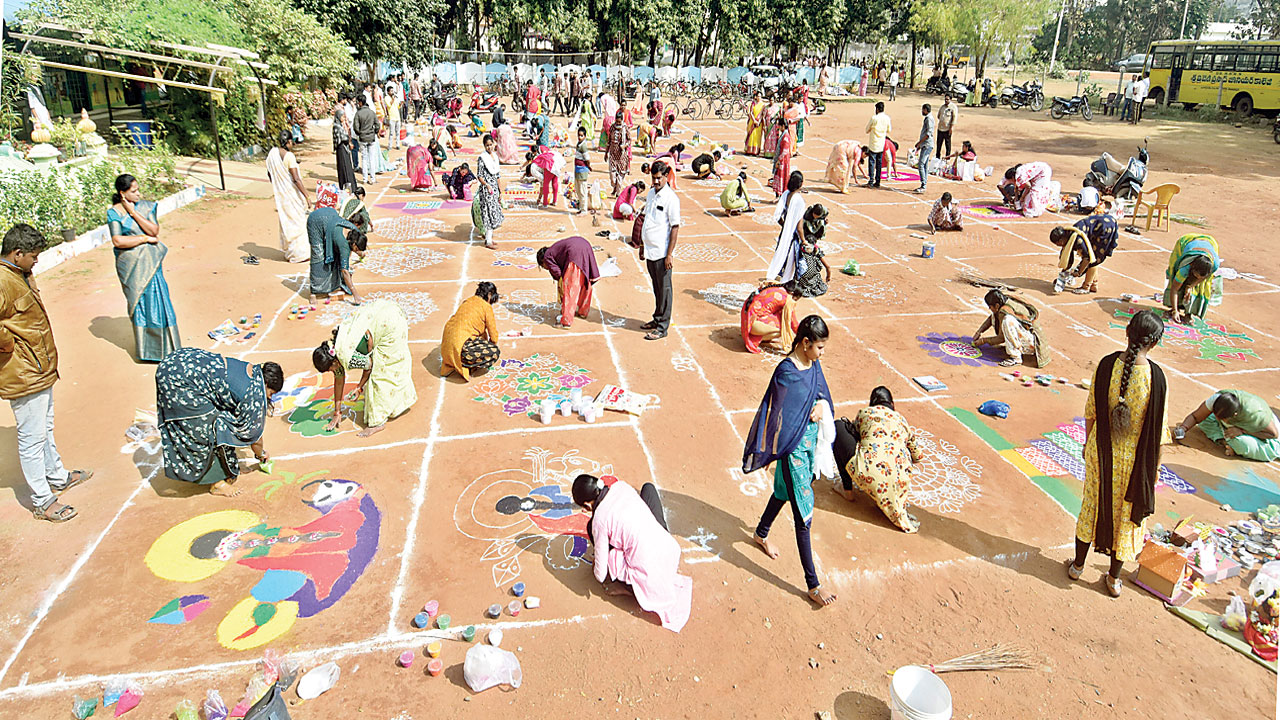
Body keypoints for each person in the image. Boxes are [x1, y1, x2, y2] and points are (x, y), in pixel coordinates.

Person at [1067, 310, 1167, 597]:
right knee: (1127, 517)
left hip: (1101, 453)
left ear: (1127, 332)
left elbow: (1090, 412)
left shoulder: (1106, 365)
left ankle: (1077, 566)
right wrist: (1155, 468)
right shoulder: (1155, 379)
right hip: (1135, 461)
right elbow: (1158, 434)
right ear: (1155, 343)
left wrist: (1089, 444)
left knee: (1092, 506)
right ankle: (1113, 579)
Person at [743, 315, 838, 607]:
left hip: (808, 444)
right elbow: (776, 414)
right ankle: (813, 584)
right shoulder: (786, 372)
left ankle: (761, 533)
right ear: (805, 343)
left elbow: (822, 395)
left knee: (782, 492)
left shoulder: (813, 364)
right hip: (791, 450)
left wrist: (822, 408)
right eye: (819, 347)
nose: (822, 353)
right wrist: (772, 451)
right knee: (803, 513)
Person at [1, 224, 93, 522]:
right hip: (24, 371)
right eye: (33, 256)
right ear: (17, 253)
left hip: (38, 367)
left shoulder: (19, 274)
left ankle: (57, 475)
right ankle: (42, 499)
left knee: (45, 426)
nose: (37, 261)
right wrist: (11, 345)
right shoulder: (3, 281)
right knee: (31, 438)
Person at [571, 474, 692, 632]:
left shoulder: (599, 520)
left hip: (652, 571)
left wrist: (598, 563)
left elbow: (600, 575)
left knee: (593, 530)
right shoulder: (621, 486)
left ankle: (629, 589)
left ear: (587, 505)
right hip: (667, 548)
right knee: (648, 489)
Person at [156, 348, 283, 496]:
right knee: (204, 427)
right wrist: (261, 454)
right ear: (266, 384)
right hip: (178, 381)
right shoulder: (253, 394)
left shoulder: (252, 371)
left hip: (178, 360)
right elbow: (254, 437)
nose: (268, 398)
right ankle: (216, 483)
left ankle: (228, 467)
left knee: (223, 419)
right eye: (271, 393)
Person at [310, 300, 416, 437]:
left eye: (330, 369)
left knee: (380, 374)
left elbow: (369, 366)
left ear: (334, 362)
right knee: (386, 368)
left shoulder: (346, 355)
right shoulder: (336, 346)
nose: (332, 372)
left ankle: (378, 422)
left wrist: (359, 387)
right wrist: (337, 412)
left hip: (390, 325)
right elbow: (339, 378)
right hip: (385, 310)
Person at [109, 173, 181, 362]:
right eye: (134, 191)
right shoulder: (114, 213)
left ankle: (167, 348)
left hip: (151, 264)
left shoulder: (147, 207)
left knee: (158, 301)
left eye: (138, 189)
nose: (139, 194)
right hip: (132, 268)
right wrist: (144, 239)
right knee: (140, 305)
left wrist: (133, 212)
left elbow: (154, 230)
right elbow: (118, 240)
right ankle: (148, 351)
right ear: (122, 193)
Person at [834, 386, 922, 533]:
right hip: (899, 482)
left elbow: (855, 434)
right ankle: (888, 494)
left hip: (868, 474)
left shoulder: (865, 413)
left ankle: (847, 490)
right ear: (892, 404)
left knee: (839, 426)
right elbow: (918, 456)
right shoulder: (902, 420)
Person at [637, 161, 680, 341]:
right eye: (653, 178)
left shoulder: (671, 199)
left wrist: (669, 254)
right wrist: (641, 245)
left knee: (665, 289)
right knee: (656, 287)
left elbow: (675, 227)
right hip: (650, 250)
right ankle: (656, 318)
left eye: (658, 178)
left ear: (666, 176)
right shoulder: (651, 194)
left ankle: (663, 326)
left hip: (662, 253)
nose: (655, 182)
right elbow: (646, 220)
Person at [1175, 390, 1280, 462]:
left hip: (1267, 438)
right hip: (1236, 428)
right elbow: (1196, 417)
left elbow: (1273, 434)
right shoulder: (1217, 400)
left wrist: (1242, 431)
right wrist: (1183, 428)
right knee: (1204, 420)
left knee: (1240, 443)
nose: (1217, 419)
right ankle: (1225, 441)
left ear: (1234, 415)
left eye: (1222, 418)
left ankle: (1232, 444)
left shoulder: (1255, 415)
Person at [972, 289, 1050, 368]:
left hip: (1033, 343)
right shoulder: (1004, 302)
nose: (989, 308)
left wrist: (983, 341)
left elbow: (1001, 338)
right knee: (1002, 318)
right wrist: (979, 332)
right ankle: (1015, 348)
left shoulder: (1004, 311)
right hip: (1031, 337)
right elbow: (992, 317)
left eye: (990, 307)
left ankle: (1016, 358)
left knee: (1007, 320)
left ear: (997, 306)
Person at [266, 130, 312, 263]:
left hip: (282, 196)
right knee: (298, 222)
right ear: (289, 142)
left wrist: (279, 186)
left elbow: (270, 175)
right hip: (292, 195)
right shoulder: (289, 156)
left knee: (287, 221)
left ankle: (290, 251)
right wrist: (307, 196)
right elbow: (296, 179)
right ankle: (299, 253)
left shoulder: (271, 155)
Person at [440, 282, 501, 381]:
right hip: (461, 347)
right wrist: (489, 346)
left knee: (477, 338)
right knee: (494, 352)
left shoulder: (467, 301)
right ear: (489, 295)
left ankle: (452, 361)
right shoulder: (486, 307)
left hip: (446, 349)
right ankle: (464, 363)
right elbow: (493, 337)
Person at [306, 205, 366, 305]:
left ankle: (335, 284)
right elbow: (345, 271)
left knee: (337, 256)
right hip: (316, 221)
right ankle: (313, 292)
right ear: (354, 244)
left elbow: (349, 253)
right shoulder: (344, 246)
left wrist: (360, 253)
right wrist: (355, 293)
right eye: (357, 249)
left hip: (330, 215)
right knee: (318, 256)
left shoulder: (355, 232)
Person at [537, 236, 601, 328]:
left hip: (574, 254)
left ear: (543, 261)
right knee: (584, 282)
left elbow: (558, 274)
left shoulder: (547, 256)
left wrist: (561, 288)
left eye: (544, 266)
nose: (546, 268)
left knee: (570, 289)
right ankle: (583, 311)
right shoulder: (554, 250)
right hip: (586, 247)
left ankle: (566, 321)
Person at [1049, 213, 1119, 294]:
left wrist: (1079, 272)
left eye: (1057, 244)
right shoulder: (1068, 235)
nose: (1058, 246)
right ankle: (1094, 284)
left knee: (1094, 259)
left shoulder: (1077, 239)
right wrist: (1063, 276)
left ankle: (1086, 286)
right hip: (1101, 224)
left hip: (1104, 228)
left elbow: (1088, 258)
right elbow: (1068, 259)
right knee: (1093, 256)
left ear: (1060, 241)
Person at [1163, 233, 1221, 323]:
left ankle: (1189, 312)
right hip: (1185, 242)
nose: (1198, 278)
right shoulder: (1185, 267)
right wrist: (1175, 311)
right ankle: (1175, 308)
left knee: (1200, 287)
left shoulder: (1214, 265)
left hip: (1210, 242)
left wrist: (1191, 286)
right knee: (1178, 281)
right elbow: (1174, 289)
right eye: (1196, 275)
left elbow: (1205, 278)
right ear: (1192, 267)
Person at [767, 172, 806, 285]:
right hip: (792, 236)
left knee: (781, 253)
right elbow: (799, 226)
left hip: (784, 233)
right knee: (791, 260)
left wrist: (785, 226)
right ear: (801, 184)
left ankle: (778, 276)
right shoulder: (799, 201)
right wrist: (803, 240)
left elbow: (778, 216)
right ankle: (786, 282)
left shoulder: (785, 194)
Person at [469, 134, 504, 251]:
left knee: (494, 212)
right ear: (484, 146)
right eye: (487, 145)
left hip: (494, 189)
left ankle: (488, 237)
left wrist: (500, 190)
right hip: (487, 190)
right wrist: (487, 185)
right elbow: (479, 176)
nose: (489, 147)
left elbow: (497, 175)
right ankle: (488, 240)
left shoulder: (495, 157)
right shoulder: (482, 158)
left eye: (491, 144)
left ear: (494, 144)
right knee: (488, 213)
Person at [740, 283, 798, 354]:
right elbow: (794, 325)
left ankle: (757, 335)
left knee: (780, 315)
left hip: (746, 319)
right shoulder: (787, 299)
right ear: (792, 294)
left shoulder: (775, 285)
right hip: (753, 324)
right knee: (784, 330)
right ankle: (754, 338)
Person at [788, 204, 831, 298]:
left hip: (802, 279)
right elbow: (827, 266)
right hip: (812, 278)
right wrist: (828, 277)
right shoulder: (817, 250)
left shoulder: (800, 250)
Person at [768, 104, 797, 197]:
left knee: (781, 177)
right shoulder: (783, 135)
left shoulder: (785, 137)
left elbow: (784, 151)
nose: (778, 128)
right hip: (781, 160)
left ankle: (780, 194)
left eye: (779, 126)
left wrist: (778, 161)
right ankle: (778, 194)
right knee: (777, 177)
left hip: (783, 162)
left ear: (783, 126)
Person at [331, 96, 357, 191]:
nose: (343, 118)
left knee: (348, 167)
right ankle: (346, 185)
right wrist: (348, 141)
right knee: (344, 167)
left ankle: (351, 185)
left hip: (345, 148)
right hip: (341, 148)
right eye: (342, 116)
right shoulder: (336, 126)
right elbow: (341, 138)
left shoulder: (340, 126)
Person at [353, 95, 379, 186]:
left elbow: (355, 127)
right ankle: (373, 178)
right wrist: (374, 132)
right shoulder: (372, 113)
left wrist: (360, 133)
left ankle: (364, 179)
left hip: (362, 138)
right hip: (371, 137)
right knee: (371, 158)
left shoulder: (358, 114)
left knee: (364, 158)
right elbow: (377, 124)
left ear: (360, 102)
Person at [865, 102, 891, 188]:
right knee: (879, 163)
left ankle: (871, 181)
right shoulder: (887, 118)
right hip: (881, 143)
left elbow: (867, 129)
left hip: (874, 143)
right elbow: (889, 130)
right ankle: (878, 181)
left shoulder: (874, 118)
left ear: (877, 109)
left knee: (872, 162)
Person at [606, 110, 632, 196]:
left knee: (620, 175)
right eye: (616, 121)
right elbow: (609, 140)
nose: (617, 123)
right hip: (613, 153)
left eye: (619, 121)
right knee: (612, 175)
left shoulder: (625, 128)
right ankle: (614, 186)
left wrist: (624, 146)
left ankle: (617, 192)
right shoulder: (612, 127)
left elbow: (629, 139)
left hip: (621, 155)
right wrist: (606, 152)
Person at [913, 103, 936, 193]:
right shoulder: (928, 118)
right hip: (925, 145)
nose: (922, 112)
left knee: (921, 164)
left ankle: (923, 185)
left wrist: (919, 143)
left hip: (927, 145)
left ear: (926, 110)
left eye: (923, 110)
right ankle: (924, 183)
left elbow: (928, 134)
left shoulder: (929, 119)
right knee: (925, 165)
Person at [572, 126, 593, 216]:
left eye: (581, 136)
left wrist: (588, 166)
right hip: (577, 170)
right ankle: (581, 207)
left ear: (585, 136)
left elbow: (587, 159)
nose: (579, 137)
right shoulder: (579, 144)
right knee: (577, 189)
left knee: (582, 190)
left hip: (582, 171)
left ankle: (584, 210)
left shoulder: (583, 146)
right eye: (578, 135)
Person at [745, 91, 765, 155]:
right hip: (752, 122)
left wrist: (758, 121)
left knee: (757, 136)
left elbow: (762, 114)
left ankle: (755, 151)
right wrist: (754, 120)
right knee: (751, 136)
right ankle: (749, 150)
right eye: (758, 96)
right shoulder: (753, 103)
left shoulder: (763, 105)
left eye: (760, 96)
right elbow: (751, 112)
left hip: (759, 123)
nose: (759, 98)